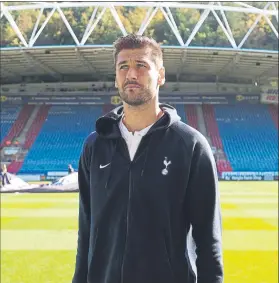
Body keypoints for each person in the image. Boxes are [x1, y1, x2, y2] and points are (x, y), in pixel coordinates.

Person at [72, 34, 223, 283]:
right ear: (116, 76)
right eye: (123, 67)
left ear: (160, 75)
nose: (131, 74)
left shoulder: (190, 145)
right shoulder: (95, 145)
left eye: (141, 65)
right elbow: (87, 230)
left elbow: (208, 239)